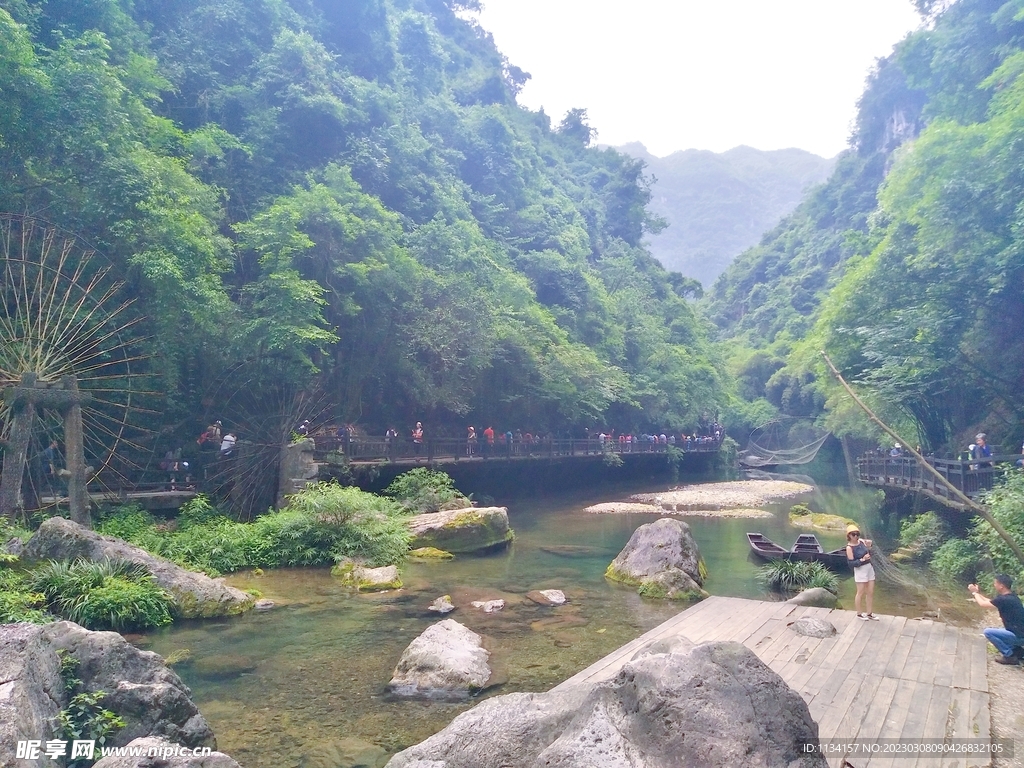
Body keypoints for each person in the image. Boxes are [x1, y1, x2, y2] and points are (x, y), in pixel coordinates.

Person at [969, 575, 1024, 664]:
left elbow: (982, 604)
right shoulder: (1011, 597)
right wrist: (978, 593)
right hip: (1019, 632)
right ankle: (1018, 651)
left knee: (988, 632)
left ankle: (1009, 656)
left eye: (995, 583)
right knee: (1000, 631)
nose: (994, 585)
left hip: (1019, 636)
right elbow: (990, 601)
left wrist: (974, 593)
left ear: (1001, 586)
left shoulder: (1004, 599)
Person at [846, 523, 878, 620]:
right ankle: (859, 613)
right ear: (849, 536)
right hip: (860, 570)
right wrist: (862, 559)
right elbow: (851, 563)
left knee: (870, 591)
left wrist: (869, 545)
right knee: (860, 592)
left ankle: (869, 613)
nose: (856, 536)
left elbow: (869, 548)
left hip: (869, 567)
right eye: (853, 534)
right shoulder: (849, 548)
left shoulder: (861, 542)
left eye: (857, 534)